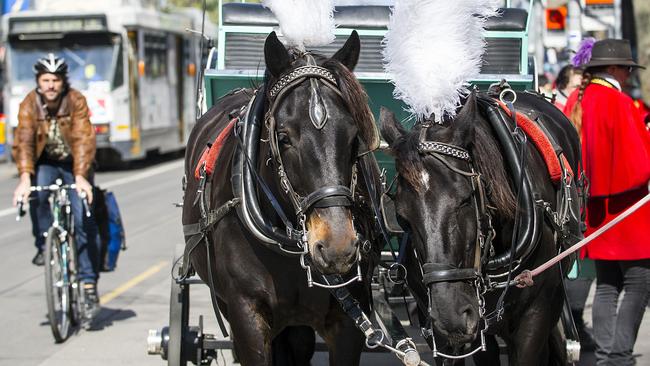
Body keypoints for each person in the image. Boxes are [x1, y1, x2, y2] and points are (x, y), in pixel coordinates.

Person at [565, 38, 650, 366]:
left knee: (607, 284)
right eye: (627, 68)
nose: (628, 74)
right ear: (613, 69)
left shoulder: (577, 97)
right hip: (626, 212)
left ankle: (606, 356)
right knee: (638, 281)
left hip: (595, 212)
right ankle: (619, 356)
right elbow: (638, 164)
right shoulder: (618, 101)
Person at [11, 53, 100, 316]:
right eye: (45, 79)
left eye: (55, 80)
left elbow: (84, 138)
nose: (50, 85)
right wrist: (25, 177)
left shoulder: (75, 100)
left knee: (84, 217)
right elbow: (24, 141)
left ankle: (87, 282)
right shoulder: (29, 103)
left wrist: (82, 176)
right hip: (46, 162)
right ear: (39, 81)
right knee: (37, 195)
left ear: (63, 82)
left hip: (75, 164)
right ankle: (44, 244)